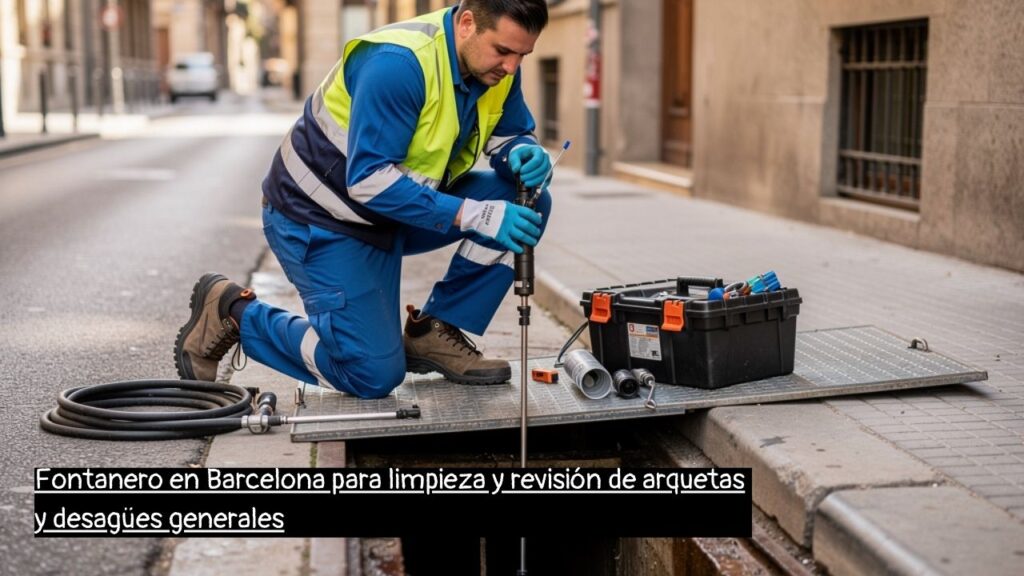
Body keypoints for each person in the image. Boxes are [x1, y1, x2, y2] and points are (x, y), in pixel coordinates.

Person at [173, 0, 553, 399]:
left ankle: (433, 332)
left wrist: (522, 153)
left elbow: (509, 133)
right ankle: (235, 313)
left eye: (522, 54)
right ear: (467, 24)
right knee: (372, 375)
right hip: (321, 219)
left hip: (393, 212)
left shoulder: (495, 67)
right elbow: (369, 182)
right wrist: (476, 214)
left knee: (527, 203)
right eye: (503, 51)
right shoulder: (397, 65)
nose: (511, 66)